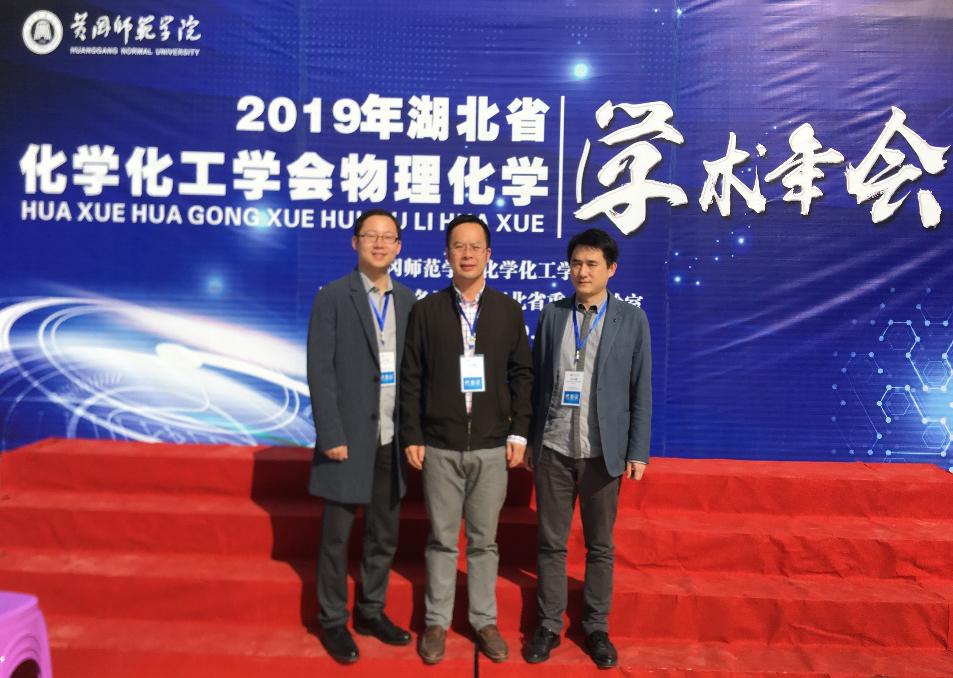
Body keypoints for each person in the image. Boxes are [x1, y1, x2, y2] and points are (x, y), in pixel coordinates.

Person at [400, 214, 533, 664]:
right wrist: (413, 432)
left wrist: (518, 431)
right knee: (441, 539)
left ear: (489, 254)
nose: (468, 254)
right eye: (459, 246)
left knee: (484, 541)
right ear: (447, 254)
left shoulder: (508, 310)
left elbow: (522, 375)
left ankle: (483, 620)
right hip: (440, 444)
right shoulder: (427, 311)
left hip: (492, 446)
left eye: (476, 246)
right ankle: (436, 622)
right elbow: (411, 377)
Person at [522, 228, 651, 669]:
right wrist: (530, 438)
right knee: (551, 543)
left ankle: (596, 627)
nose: (582, 271)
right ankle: (548, 625)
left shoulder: (631, 320)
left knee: (600, 546)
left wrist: (637, 451)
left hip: (602, 452)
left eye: (592, 264)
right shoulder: (552, 315)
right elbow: (537, 383)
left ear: (611, 269)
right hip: (554, 448)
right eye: (576, 263)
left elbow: (640, 390)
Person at [306, 209, 417, 664]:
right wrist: (330, 432)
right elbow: (320, 371)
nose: (379, 243)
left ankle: (371, 610)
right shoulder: (333, 297)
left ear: (399, 247)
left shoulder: (407, 300)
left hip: (391, 435)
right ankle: (333, 620)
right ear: (355, 242)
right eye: (370, 235)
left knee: (383, 535)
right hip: (347, 437)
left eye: (388, 237)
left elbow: (413, 373)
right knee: (336, 537)